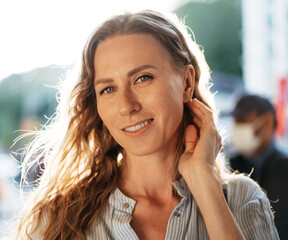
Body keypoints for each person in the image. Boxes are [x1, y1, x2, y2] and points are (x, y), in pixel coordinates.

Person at [17, 10, 279, 239]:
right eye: (108, 89)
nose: (127, 105)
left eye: (143, 78)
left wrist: (202, 179)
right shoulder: (59, 217)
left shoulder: (241, 200)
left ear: (187, 83)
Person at [230, 94, 288, 238]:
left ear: (267, 122)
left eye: (242, 121)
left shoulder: (284, 169)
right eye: (235, 121)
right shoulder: (229, 165)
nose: (237, 127)